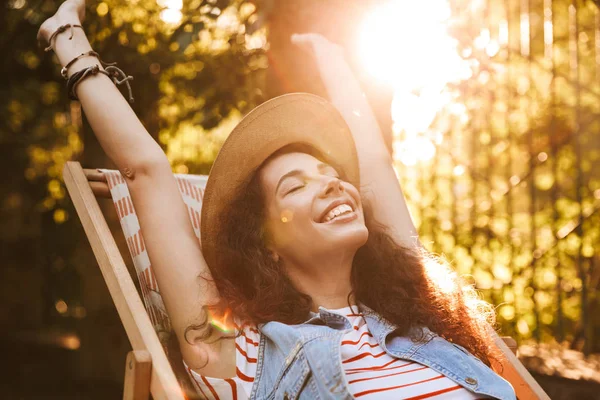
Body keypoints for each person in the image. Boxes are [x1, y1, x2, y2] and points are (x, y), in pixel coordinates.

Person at [38, 1, 516, 399]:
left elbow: (373, 161)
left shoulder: (413, 311)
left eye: (331, 175)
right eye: (296, 185)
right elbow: (146, 170)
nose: (333, 184)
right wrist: (68, 40)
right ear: (266, 243)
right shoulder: (238, 347)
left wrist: (331, 55)